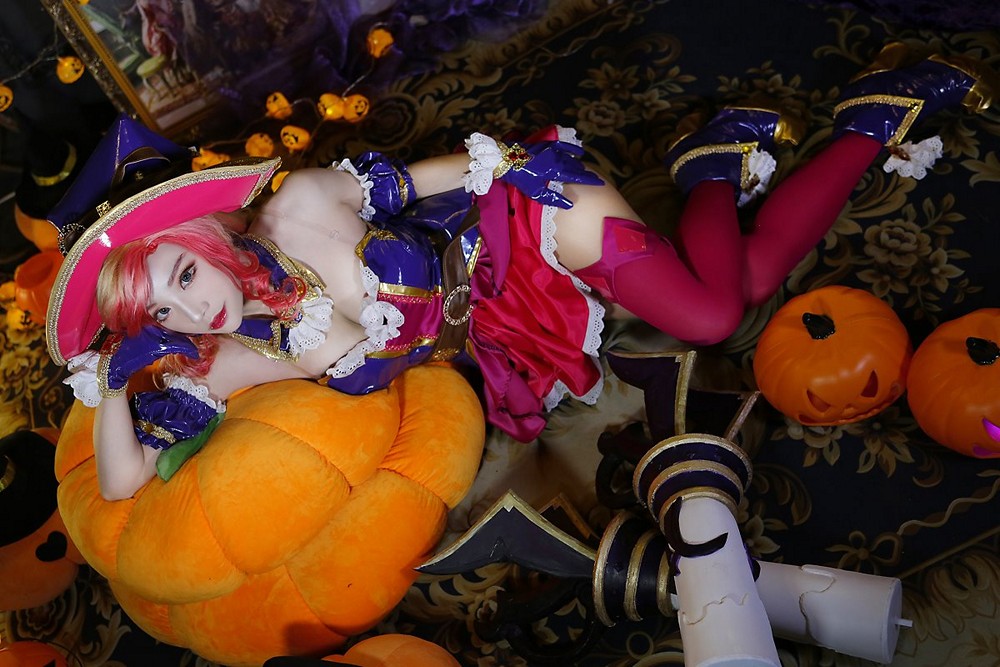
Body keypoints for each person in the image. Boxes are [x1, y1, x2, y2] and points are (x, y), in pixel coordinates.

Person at [48, 43, 996, 500]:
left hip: (524, 221)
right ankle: (721, 164)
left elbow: (440, 176)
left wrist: (515, 166)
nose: (190, 306)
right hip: (498, 321)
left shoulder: (298, 205)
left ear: (202, 238)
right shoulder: (226, 355)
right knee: (739, 289)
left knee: (712, 318)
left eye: (181, 273)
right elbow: (122, 484)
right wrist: (113, 382)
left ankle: (834, 132)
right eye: (162, 310)